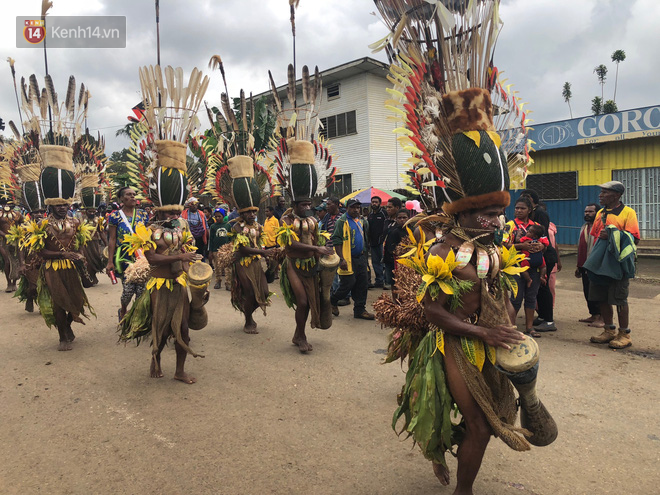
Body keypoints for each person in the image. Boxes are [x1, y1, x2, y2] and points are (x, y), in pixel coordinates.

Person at [584, 181, 640, 349]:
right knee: (601, 297)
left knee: (620, 298)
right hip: (601, 263)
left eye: (605, 192)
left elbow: (634, 239)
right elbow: (595, 238)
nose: (600, 195)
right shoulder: (600, 213)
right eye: (601, 192)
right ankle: (609, 330)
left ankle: (624, 334)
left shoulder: (628, 213)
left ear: (616, 195)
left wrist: (612, 234)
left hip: (618, 264)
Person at [279, 199, 335, 352]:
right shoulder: (285, 221)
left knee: (310, 302)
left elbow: (315, 239)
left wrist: (322, 262)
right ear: (294, 205)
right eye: (303, 205)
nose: (308, 207)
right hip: (293, 264)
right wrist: (317, 248)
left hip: (310, 264)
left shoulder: (312, 221)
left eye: (309, 204)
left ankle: (297, 335)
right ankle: (302, 336)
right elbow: (290, 243)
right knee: (302, 302)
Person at [106, 187, 150, 321]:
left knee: (141, 290)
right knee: (128, 291)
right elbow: (112, 239)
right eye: (129, 195)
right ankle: (123, 310)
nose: (132, 197)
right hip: (124, 257)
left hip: (141, 257)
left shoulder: (143, 214)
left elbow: (147, 235)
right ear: (121, 199)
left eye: (134, 194)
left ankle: (137, 315)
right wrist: (110, 261)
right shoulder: (115, 216)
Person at [519, 189, 559, 332]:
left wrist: (540, 245)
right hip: (537, 253)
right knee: (538, 290)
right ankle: (542, 316)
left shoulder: (540, 214)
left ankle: (548, 320)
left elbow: (542, 233)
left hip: (543, 254)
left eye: (526, 198)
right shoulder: (525, 219)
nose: (523, 200)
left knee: (544, 286)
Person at [506, 197, 545, 337]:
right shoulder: (509, 225)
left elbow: (545, 243)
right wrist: (520, 246)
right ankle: (510, 327)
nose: (518, 210)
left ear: (529, 210)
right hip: (515, 266)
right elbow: (503, 244)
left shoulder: (536, 226)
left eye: (522, 208)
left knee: (531, 297)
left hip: (533, 267)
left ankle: (529, 328)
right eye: (516, 208)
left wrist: (542, 245)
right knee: (516, 298)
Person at [330, 198, 374, 320]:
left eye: (357, 207)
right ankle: (332, 301)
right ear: (347, 208)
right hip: (348, 259)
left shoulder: (360, 221)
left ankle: (360, 310)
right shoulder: (341, 222)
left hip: (360, 258)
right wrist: (341, 259)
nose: (356, 210)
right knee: (347, 284)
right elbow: (337, 241)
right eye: (353, 207)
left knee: (362, 284)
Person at [575, 203, 603, 327]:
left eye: (590, 211)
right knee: (587, 291)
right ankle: (594, 315)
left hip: (595, 266)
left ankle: (602, 318)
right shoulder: (584, 227)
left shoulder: (600, 227)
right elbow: (581, 247)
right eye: (586, 211)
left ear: (597, 213)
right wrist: (578, 266)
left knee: (598, 292)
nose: (587, 214)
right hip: (584, 265)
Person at [383, 209, 408, 291]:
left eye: (404, 217)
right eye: (399, 218)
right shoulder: (393, 231)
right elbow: (389, 248)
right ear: (396, 219)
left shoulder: (413, 230)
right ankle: (395, 300)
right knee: (394, 282)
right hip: (394, 261)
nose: (402, 220)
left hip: (409, 261)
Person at [0, 201, 23, 292]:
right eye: (5, 204)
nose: (7, 206)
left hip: (15, 241)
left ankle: (14, 283)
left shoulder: (17, 214)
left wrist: (19, 231)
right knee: (8, 261)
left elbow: (23, 223)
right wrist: (5, 235)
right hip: (3, 241)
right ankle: (9, 283)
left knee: (16, 262)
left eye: (8, 204)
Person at [208, 207, 231, 290]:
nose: (217, 218)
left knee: (228, 267)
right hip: (216, 250)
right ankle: (218, 281)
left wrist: (231, 249)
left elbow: (230, 238)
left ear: (223, 216)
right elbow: (211, 239)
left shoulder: (227, 225)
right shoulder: (213, 227)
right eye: (216, 216)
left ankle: (228, 283)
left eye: (219, 216)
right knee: (218, 267)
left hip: (226, 250)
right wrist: (210, 251)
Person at [367, 195, 387, 289]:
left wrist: (383, 239)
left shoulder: (384, 213)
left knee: (383, 262)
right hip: (373, 243)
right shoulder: (370, 215)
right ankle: (379, 280)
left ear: (380, 203)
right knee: (375, 263)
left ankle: (386, 281)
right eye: (373, 202)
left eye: (376, 202)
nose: (374, 204)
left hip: (382, 243)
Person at [383, 197, 402, 289]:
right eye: (387, 207)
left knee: (399, 281)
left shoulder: (402, 223)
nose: (388, 209)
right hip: (387, 255)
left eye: (390, 207)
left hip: (398, 256)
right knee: (391, 282)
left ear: (397, 208)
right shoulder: (387, 221)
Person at [263, 206, 281, 281]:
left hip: (273, 243)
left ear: (271, 212)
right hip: (266, 243)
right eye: (265, 211)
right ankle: (270, 274)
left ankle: (275, 274)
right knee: (268, 260)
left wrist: (277, 242)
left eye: (267, 211)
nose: (266, 213)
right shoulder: (266, 220)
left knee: (274, 260)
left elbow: (278, 232)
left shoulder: (275, 220)